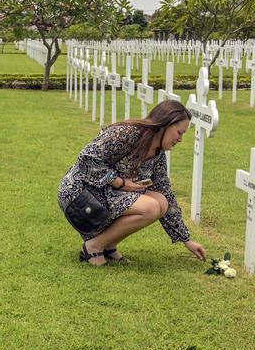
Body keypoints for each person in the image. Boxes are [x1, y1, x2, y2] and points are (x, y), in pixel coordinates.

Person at [58, 100, 208, 266]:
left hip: (108, 193)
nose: (180, 139)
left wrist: (186, 240)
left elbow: (165, 191)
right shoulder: (127, 134)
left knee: (162, 201)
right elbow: (86, 159)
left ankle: (108, 245)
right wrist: (120, 183)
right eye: (179, 132)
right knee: (151, 207)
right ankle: (93, 247)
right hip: (81, 192)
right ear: (165, 125)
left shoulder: (158, 155)